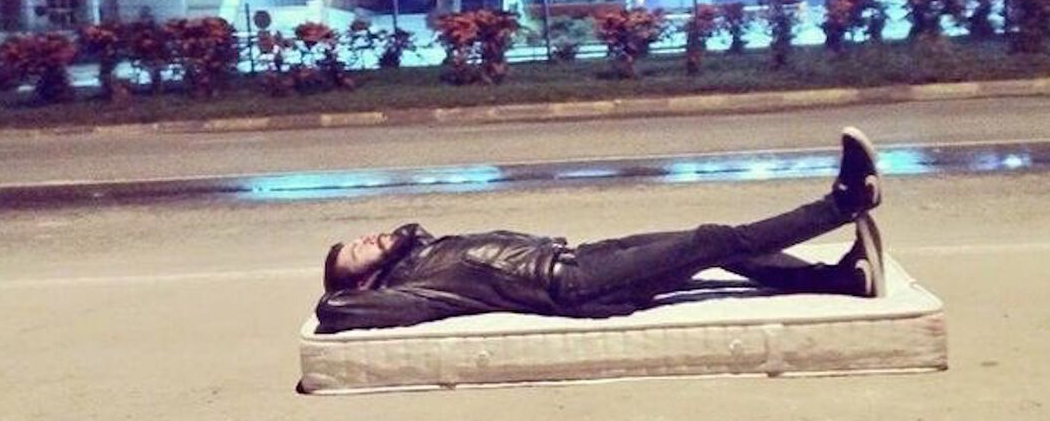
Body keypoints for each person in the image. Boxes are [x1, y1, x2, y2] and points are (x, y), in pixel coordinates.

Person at [314, 127, 885, 334]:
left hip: (578, 257)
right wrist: (346, 292)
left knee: (709, 249)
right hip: (576, 287)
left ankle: (842, 282)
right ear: (365, 284)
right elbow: (333, 312)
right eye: (352, 255)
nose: (362, 240)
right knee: (712, 241)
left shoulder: (423, 250)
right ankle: (841, 203)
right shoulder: (411, 294)